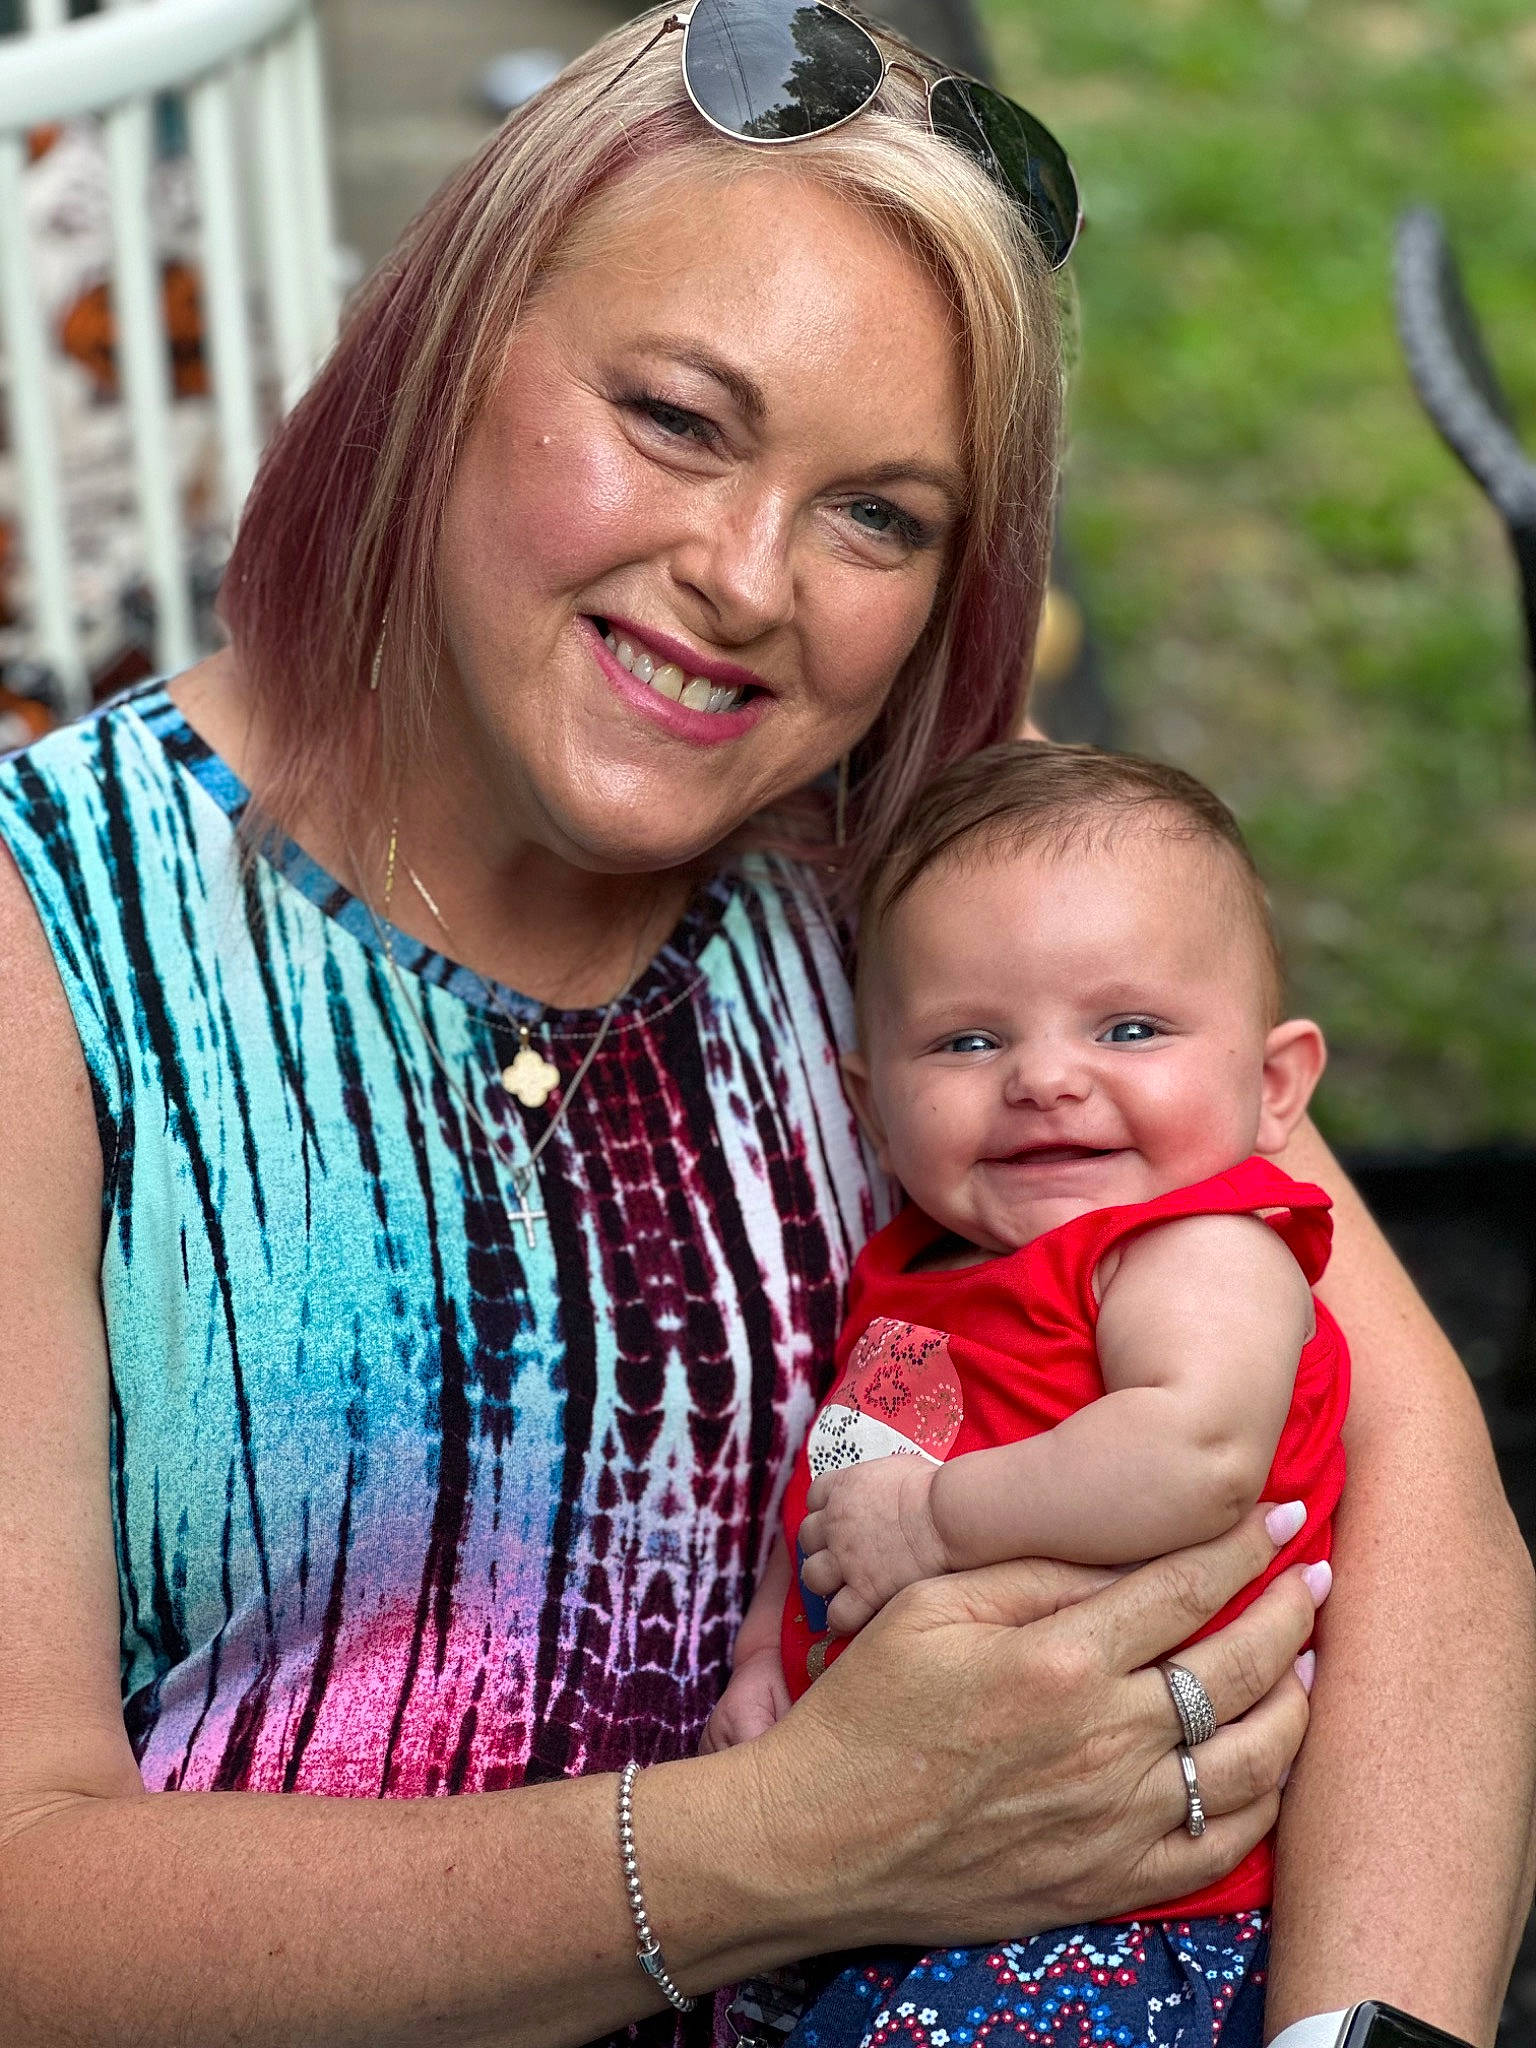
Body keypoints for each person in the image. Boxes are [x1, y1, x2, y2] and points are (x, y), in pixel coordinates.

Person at [0, 8, 1529, 2047]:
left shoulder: (920, 881)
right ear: (442, 345)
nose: (744, 581)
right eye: (676, 418)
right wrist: (796, 1841)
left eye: (879, 516)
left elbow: (1429, 1516)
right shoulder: (56, 936)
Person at [707, 741, 1344, 2047]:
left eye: (1129, 1028)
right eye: (969, 1038)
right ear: (872, 1110)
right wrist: (766, 1649)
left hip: (1124, 1907)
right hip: (909, 1872)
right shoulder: (919, 1269)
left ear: (1274, 1086)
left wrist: (935, 1525)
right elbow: (846, 1473)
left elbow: (1193, 1453)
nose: (1045, 1077)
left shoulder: (1198, 1246)